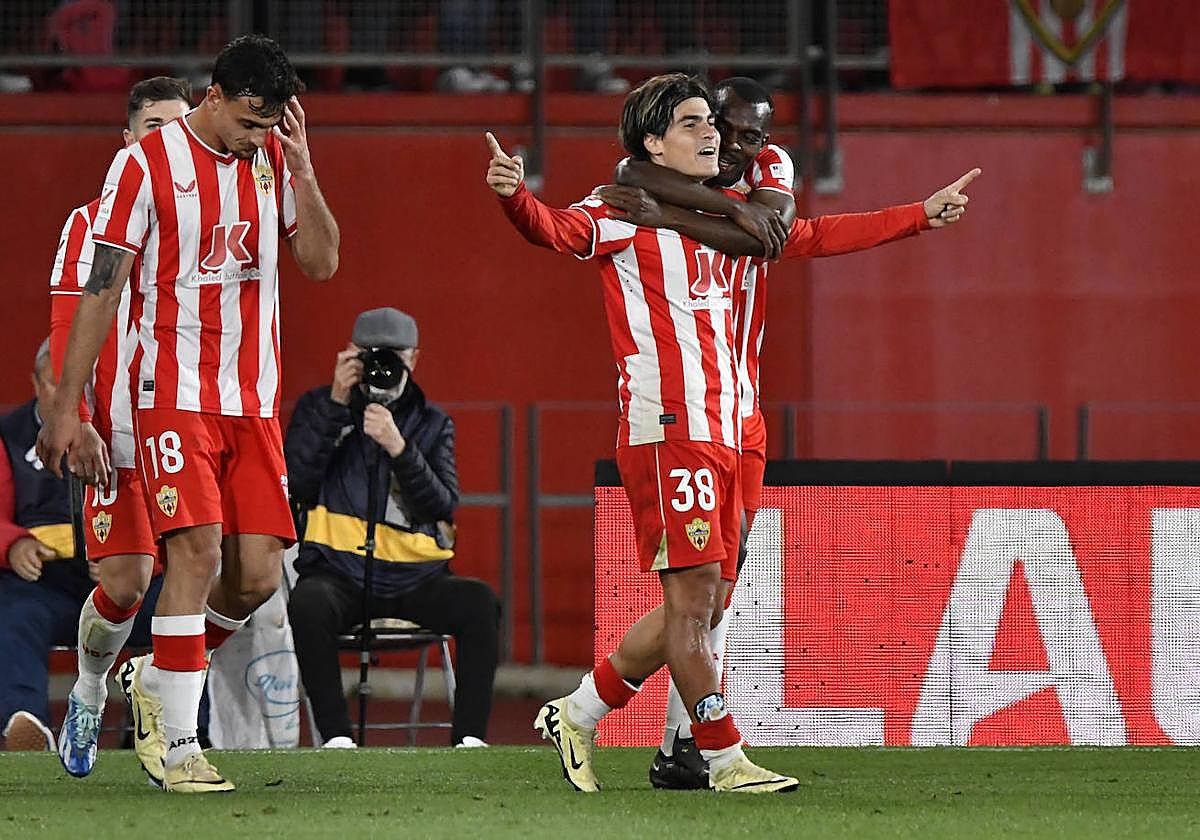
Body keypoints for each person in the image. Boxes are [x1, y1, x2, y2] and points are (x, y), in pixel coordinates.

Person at [597, 77, 979, 787]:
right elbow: (628, 178)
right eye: (726, 129)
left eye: (753, 135)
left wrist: (915, 216)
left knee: (719, 596)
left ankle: (629, 724)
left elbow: (778, 236)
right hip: (691, 407)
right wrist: (679, 208)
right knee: (700, 596)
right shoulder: (650, 173)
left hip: (744, 412)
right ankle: (688, 747)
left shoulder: (769, 170)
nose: (741, 146)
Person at [37, 34, 340, 793]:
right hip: (167, 397)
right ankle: (175, 745)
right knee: (179, 562)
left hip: (253, 402)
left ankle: (155, 674)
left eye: (271, 125)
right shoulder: (144, 165)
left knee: (257, 576)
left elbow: (323, 263)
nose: (257, 137)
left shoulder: (272, 158)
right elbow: (100, 290)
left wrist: (302, 170)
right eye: (247, 121)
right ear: (214, 96)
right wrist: (68, 409)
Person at [487, 73, 799, 793]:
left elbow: (782, 231)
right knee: (693, 605)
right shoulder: (618, 212)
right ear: (654, 142)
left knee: (707, 604)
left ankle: (579, 709)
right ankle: (723, 758)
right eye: (692, 124)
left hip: (724, 426)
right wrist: (514, 195)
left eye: (708, 122)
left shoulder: (720, 209)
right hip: (670, 428)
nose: (711, 132)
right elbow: (556, 229)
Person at [47, 75, 191, 779]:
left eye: (180, 124)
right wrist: (77, 419)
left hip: (195, 424)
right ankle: (88, 689)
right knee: (129, 583)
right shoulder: (88, 223)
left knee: (236, 575)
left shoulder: (212, 211)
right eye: (155, 125)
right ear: (129, 140)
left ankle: (161, 688)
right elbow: (68, 325)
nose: (170, 137)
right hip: (122, 430)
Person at [285, 307, 499, 749]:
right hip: (337, 572)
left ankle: (470, 741)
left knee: (479, 604)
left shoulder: (432, 423)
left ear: (414, 359)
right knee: (307, 603)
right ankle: (337, 739)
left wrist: (400, 448)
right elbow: (294, 482)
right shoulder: (318, 408)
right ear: (350, 355)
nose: (381, 367)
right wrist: (335, 408)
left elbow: (442, 506)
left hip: (414, 577)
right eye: (369, 355)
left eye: (393, 356)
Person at [0, 340, 160, 753]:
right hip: (43, 583)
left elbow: (166, 509)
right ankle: (25, 723)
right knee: (14, 615)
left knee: (176, 613)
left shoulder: (128, 430)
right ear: (36, 384)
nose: (71, 397)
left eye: (82, 384)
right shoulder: (9, 434)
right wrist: (12, 544)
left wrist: (131, 556)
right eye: (58, 385)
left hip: (122, 578)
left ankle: (181, 726)